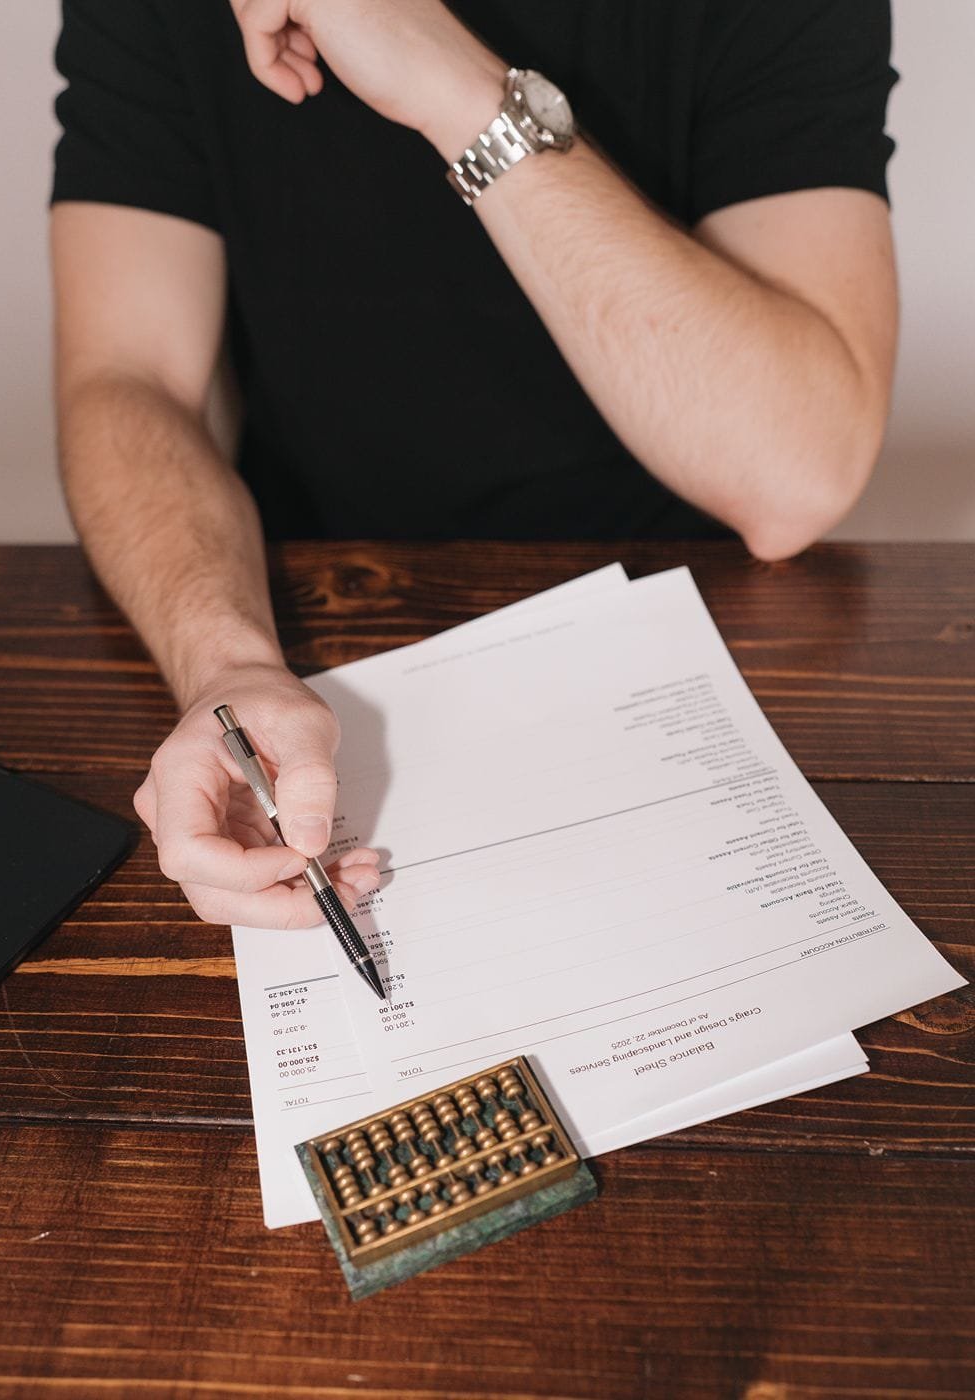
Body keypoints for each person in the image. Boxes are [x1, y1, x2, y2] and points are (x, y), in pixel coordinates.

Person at [50, 0, 899, 933]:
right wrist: (227, 667)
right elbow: (127, 378)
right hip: (308, 629)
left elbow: (792, 477)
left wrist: (457, 90)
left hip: (694, 640)